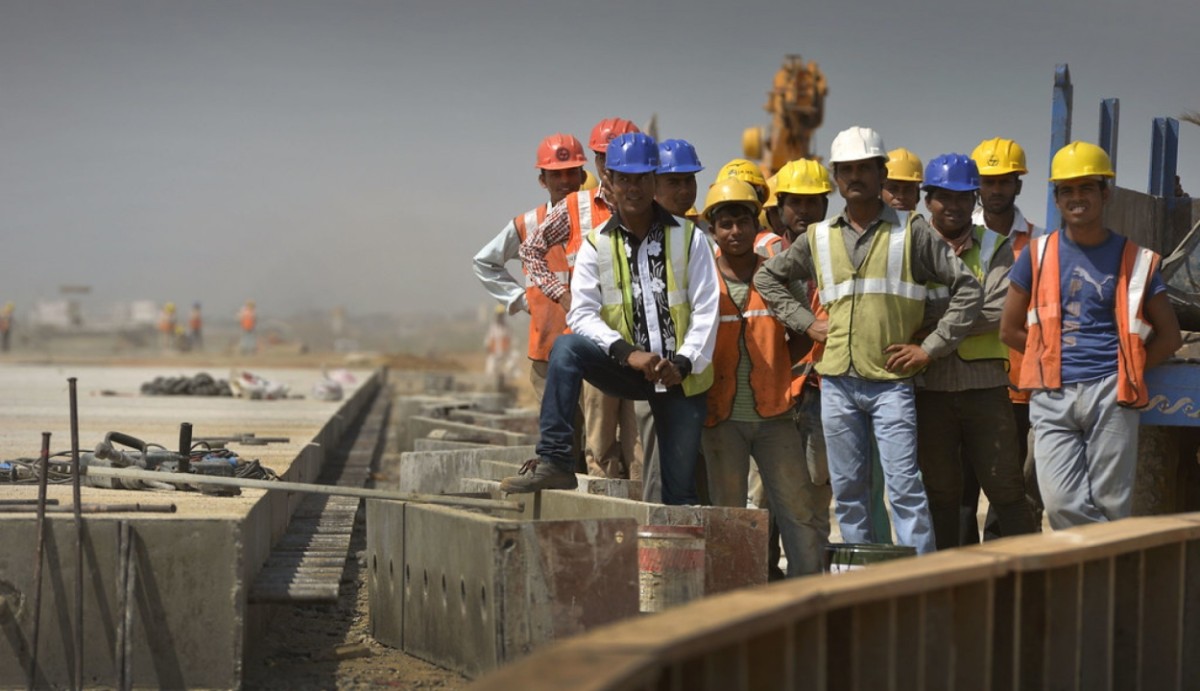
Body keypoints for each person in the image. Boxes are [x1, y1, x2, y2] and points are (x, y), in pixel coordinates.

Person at [755, 126, 983, 554]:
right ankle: (861, 579)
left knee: (904, 489)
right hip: (837, 382)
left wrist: (930, 347)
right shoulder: (820, 236)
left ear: (882, 174)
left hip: (891, 382)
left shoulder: (912, 230)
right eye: (847, 169)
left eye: (865, 168)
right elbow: (767, 277)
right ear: (836, 178)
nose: (855, 176)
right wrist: (806, 323)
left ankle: (917, 580)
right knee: (848, 492)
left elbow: (968, 288)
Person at [502, 133, 719, 505]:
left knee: (679, 491)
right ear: (609, 181)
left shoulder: (690, 240)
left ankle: (673, 540)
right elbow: (582, 313)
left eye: (642, 178)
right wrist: (627, 353)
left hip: (680, 376)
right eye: (624, 179)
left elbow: (706, 309)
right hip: (626, 368)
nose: (633, 188)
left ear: (654, 180)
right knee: (566, 348)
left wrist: (683, 363)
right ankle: (555, 458)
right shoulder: (596, 243)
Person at [1000, 141, 1181, 528]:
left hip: (1112, 394)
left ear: (1105, 193)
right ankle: (1111, 550)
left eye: (1086, 188)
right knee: (1060, 504)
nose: (1076, 197)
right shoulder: (1036, 255)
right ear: (1057, 198)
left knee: (1111, 504)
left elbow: (1170, 337)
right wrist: (1048, 359)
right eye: (1067, 190)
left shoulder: (1136, 259)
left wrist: (1129, 371)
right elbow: (1009, 329)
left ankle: (1101, 566)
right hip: (1052, 394)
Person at [700, 177, 826, 575]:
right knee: (728, 515)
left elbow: (805, 330)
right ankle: (735, 596)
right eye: (725, 224)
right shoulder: (703, 280)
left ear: (757, 226)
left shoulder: (776, 276)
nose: (735, 231)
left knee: (798, 511)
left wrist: (779, 370)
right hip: (721, 419)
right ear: (713, 230)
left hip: (775, 418)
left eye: (743, 222)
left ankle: (809, 592)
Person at [914, 153, 1035, 549]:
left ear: (974, 200)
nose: (953, 206)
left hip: (986, 389)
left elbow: (999, 311)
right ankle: (952, 578)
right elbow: (903, 310)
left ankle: (1029, 576)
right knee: (942, 493)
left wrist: (931, 327)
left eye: (963, 197)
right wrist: (964, 309)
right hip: (930, 390)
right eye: (944, 197)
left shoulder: (995, 246)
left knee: (1007, 490)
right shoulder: (909, 245)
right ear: (928, 200)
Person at [521, 118, 644, 482]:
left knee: (641, 442)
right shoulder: (578, 207)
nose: (613, 166)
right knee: (600, 442)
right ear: (597, 161)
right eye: (605, 157)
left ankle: (643, 506)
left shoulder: (652, 206)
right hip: (596, 341)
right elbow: (531, 250)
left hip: (645, 343)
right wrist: (563, 296)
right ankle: (605, 511)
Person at [961, 136, 1044, 542]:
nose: (996, 189)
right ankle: (961, 571)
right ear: (977, 185)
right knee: (960, 492)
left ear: (1018, 185)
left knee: (1012, 493)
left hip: (1020, 388)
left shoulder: (1041, 243)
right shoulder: (958, 237)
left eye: (1004, 181)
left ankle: (1005, 570)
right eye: (988, 181)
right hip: (964, 381)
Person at [472, 132, 587, 399]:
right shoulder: (528, 224)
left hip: (595, 351)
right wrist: (523, 300)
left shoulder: (597, 218)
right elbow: (484, 262)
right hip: (548, 351)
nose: (565, 181)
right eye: (555, 174)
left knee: (599, 426)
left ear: (582, 176)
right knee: (557, 424)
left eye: (571, 172)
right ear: (542, 180)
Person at [484, 305, 518, 384]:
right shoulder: (492, 327)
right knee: (490, 371)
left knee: (509, 367)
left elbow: (512, 341)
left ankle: (506, 385)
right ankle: (490, 386)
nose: (500, 317)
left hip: (505, 354)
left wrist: (509, 350)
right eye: (499, 315)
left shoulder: (507, 327)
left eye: (501, 315)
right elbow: (487, 342)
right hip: (494, 355)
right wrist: (490, 351)